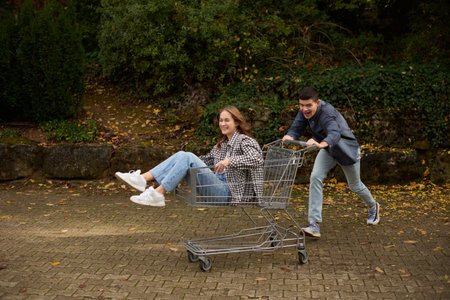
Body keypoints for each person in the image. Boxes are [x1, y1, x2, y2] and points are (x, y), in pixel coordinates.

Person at [115, 106, 264, 207]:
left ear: (236, 122)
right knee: (183, 155)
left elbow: (257, 158)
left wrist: (229, 161)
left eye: (227, 120)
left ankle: (156, 192)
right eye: (221, 120)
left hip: (229, 193)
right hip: (215, 186)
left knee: (187, 157)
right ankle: (142, 180)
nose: (223, 123)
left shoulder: (245, 141)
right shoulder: (223, 144)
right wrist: (184, 162)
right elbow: (206, 160)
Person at [283, 87, 380, 238]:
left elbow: (334, 133)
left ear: (317, 103)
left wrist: (321, 143)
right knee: (315, 177)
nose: (304, 109)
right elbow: (297, 127)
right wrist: (289, 136)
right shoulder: (304, 112)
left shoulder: (327, 113)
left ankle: (373, 205)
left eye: (308, 105)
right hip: (328, 150)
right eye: (301, 105)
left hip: (346, 150)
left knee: (355, 186)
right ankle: (314, 223)